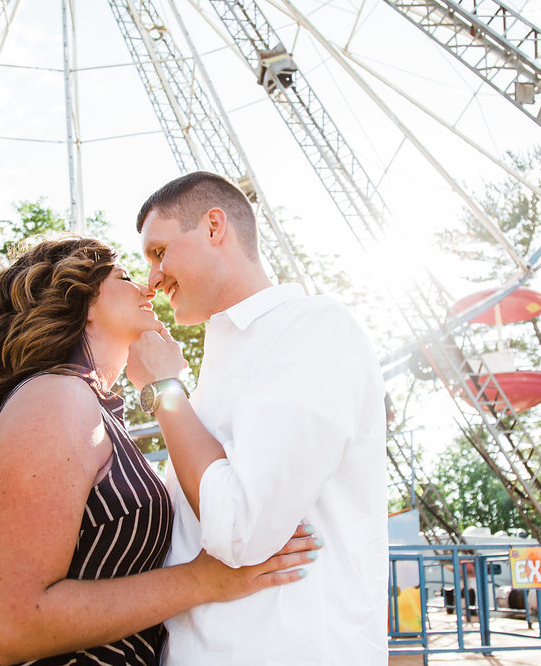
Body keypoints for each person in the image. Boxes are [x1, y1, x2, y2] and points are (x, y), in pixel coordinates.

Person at [0, 236, 319, 666]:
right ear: (82, 301)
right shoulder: (55, 397)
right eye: (125, 277)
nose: (149, 288)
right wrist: (204, 581)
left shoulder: (90, 407)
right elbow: (16, 625)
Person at [127, 171, 388, 665]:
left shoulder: (314, 329)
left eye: (159, 252)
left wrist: (163, 390)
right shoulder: (216, 368)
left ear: (213, 227)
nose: (152, 279)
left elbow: (240, 527)